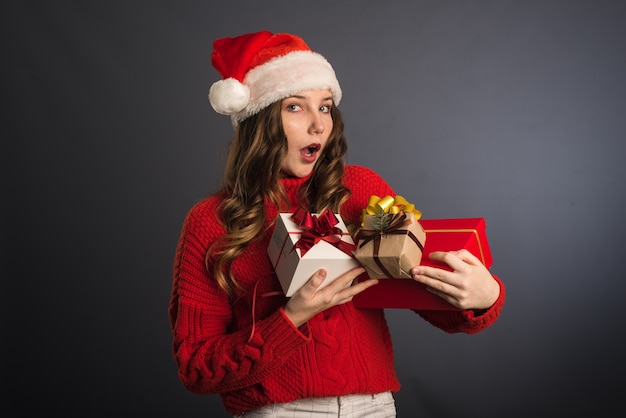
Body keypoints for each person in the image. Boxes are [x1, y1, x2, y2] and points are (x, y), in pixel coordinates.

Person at [169, 30, 505, 417]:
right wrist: (291, 318)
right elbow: (196, 368)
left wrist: (485, 298)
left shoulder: (361, 190)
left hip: (374, 408)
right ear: (259, 119)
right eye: (295, 107)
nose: (318, 126)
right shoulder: (211, 221)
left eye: (325, 107)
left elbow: (430, 300)